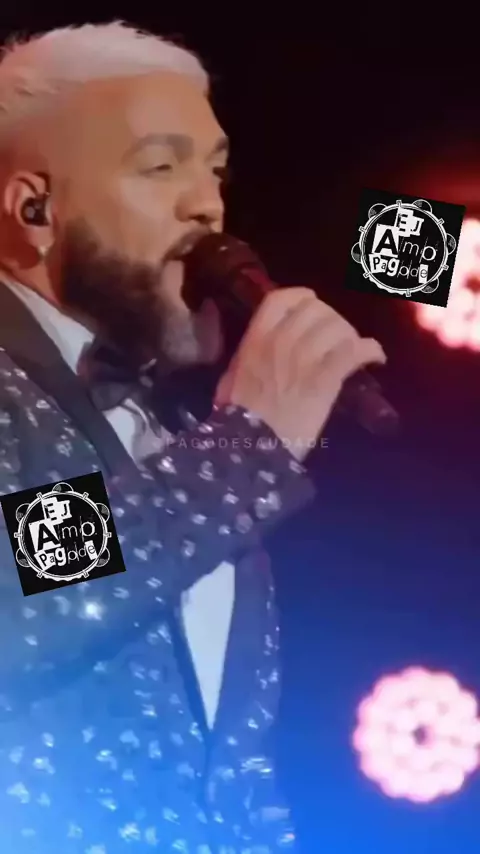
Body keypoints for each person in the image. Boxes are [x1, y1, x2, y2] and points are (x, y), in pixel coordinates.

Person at [0, 20, 385, 853]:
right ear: (36, 209)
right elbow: (16, 579)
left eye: (213, 169)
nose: (206, 203)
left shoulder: (169, 424)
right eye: (160, 166)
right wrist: (245, 449)